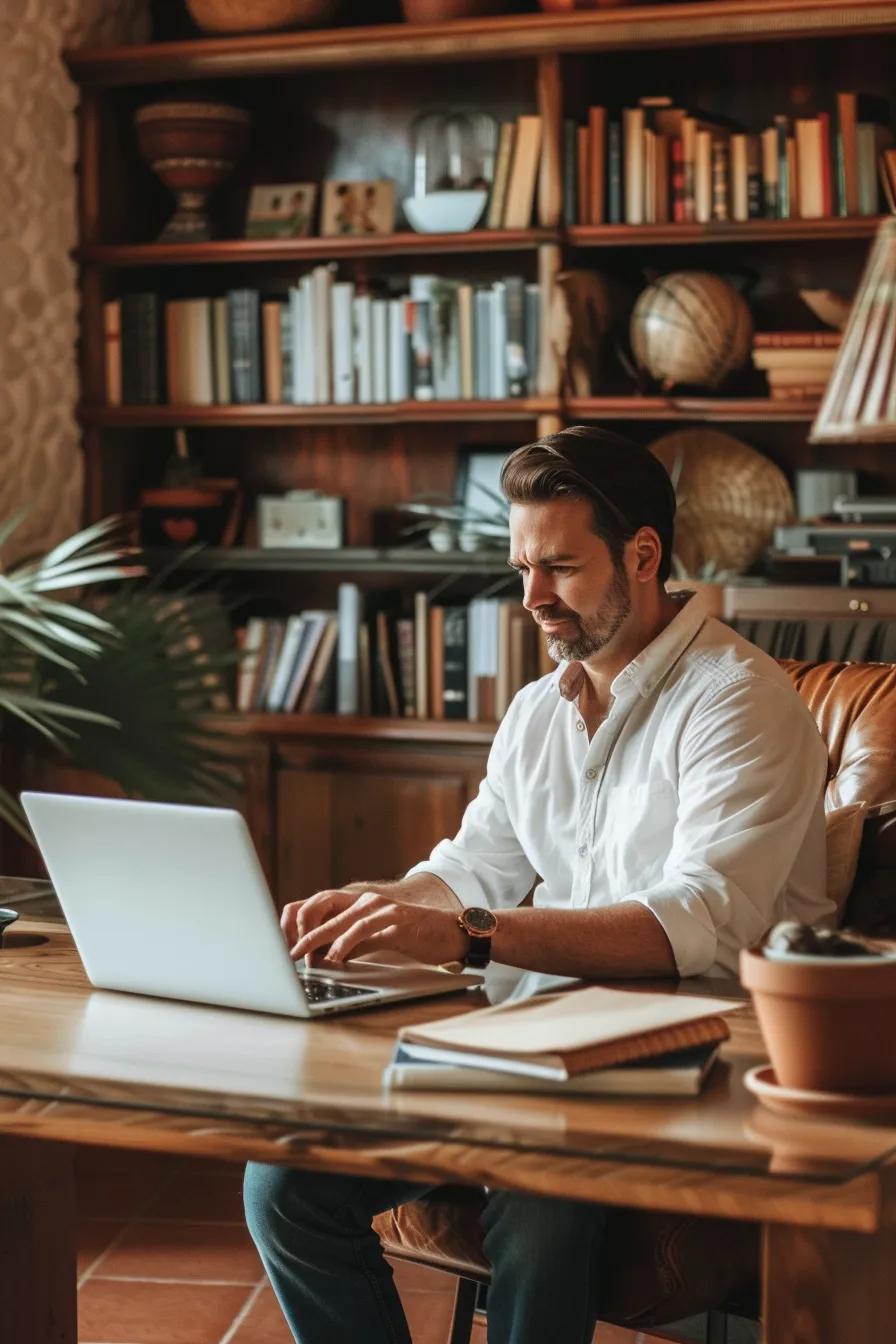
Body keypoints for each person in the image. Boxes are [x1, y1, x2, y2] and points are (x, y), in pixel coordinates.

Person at [244, 425, 832, 1344]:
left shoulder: (740, 702)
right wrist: (379, 905)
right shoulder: (536, 711)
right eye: (521, 568)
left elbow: (697, 926)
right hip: (532, 1049)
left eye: (558, 567)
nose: (532, 599)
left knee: (538, 1193)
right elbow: (473, 867)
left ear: (643, 555)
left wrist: (473, 934)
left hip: (694, 1055)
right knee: (282, 1184)